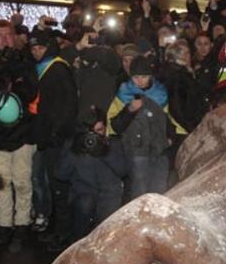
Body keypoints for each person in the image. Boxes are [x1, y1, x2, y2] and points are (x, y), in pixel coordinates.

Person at [0, 20, 37, 251]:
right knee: (1, 181)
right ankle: (4, 224)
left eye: (8, 35)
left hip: (22, 133)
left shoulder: (25, 61)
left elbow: (30, 92)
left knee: (22, 181)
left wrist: (13, 68)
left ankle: (22, 224)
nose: (5, 40)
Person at [29, 32, 78, 251]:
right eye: (33, 49)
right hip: (49, 137)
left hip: (56, 139)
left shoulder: (57, 68)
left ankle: (63, 233)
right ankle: (58, 227)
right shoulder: (46, 68)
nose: (36, 52)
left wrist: (56, 133)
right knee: (52, 185)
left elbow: (68, 105)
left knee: (60, 187)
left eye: (40, 48)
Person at [55, 107, 128, 240]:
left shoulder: (113, 144)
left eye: (99, 130)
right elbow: (60, 175)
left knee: (106, 233)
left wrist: (105, 151)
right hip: (83, 195)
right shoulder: (74, 145)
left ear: (105, 128)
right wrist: (74, 151)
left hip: (109, 196)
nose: (94, 136)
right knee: (85, 204)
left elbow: (123, 171)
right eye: (91, 132)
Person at [110, 57, 174, 200]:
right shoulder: (123, 93)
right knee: (139, 192)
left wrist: (170, 137)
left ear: (150, 76)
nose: (140, 81)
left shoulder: (160, 93)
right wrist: (130, 110)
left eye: (144, 77)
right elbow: (114, 125)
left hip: (159, 150)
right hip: (137, 152)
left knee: (160, 192)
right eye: (136, 77)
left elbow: (167, 120)